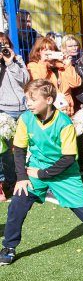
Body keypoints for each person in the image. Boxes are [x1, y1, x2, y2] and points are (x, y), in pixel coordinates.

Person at [1, 80, 83, 265]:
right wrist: (21, 177)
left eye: (33, 99)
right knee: (17, 205)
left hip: (64, 173)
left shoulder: (64, 123)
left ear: (49, 99)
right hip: (35, 170)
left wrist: (42, 174)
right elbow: (19, 149)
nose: (28, 103)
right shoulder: (26, 119)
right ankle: (9, 247)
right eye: (27, 99)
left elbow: (69, 158)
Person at [0, 32, 30, 197]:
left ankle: (29, 177)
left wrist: (11, 63)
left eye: (5, 44)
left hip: (23, 108)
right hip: (5, 109)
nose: (3, 47)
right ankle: (11, 181)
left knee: (26, 146)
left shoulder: (17, 59)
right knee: (7, 151)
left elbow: (25, 79)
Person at [26, 36, 82, 116]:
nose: (49, 52)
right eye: (46, 50)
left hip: (67, 110)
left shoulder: (62, 66)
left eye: (51, 50)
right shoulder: (33, 66)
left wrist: (68, 65)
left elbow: (75, 83)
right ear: (38, 52)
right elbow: (38, 84)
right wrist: (43, 62)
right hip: (48, 111)